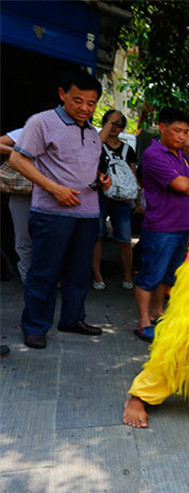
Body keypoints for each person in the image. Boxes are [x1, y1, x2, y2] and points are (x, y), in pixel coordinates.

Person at [10, 70, 110, 350]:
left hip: (88, 214)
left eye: (91, 103)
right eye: (78, 100)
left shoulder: (91, 131)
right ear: (62, 94)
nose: (84, 108)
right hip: (52, 213)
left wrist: (101, 179)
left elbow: (84, 168)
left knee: (79, 273)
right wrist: (54, 189)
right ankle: (35, 327)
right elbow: (18, 160)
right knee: (44, 272)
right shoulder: (41, 122)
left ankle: (72, 319)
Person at [132, 107, 189, 342]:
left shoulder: (181, 155)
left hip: (183, 226)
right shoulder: (154, 154)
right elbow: (183, 186)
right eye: (177, 131)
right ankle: (143, 321)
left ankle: (158, 314)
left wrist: (188, 183)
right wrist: (188, 184)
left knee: (168, 276)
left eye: (186, 132)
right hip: (161, 227)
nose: (182, 136)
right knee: (150, 274)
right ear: (162, 127)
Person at [92, 109, 138, 291]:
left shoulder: (128, 149)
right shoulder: (95, 144)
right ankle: (97, 275)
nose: (115, 127)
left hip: (123, 198)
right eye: (111, 122)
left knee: (125, 238)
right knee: (97, 236)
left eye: (119, 124)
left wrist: (137, 199)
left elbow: (133, 175)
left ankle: (128, 275)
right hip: (98, 196)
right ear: (105, 123)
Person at [0, 128, 33, 281]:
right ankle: (28, 279)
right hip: (23, 191)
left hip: (53, 193)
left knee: (52, 238)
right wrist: (17, 152)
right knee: (24, 238)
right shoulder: (28, 131)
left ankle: (49, 277)